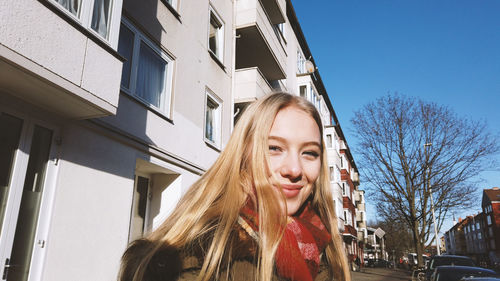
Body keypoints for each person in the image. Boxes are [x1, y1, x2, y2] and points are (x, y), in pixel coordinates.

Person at [119, 92, 350, 281]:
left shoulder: (325, 245)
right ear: (243, 154)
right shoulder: (200, 255)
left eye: (309, 153)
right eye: (274, 148)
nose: (295, 169)